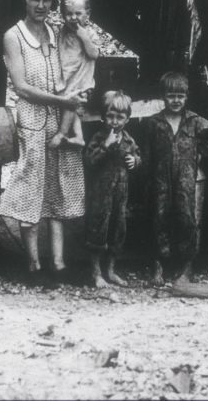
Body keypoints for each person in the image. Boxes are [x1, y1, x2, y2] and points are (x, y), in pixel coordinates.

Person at [0, 0, 87, 286]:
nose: (41, 5)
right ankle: (33, 266)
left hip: (58, 121)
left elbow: (76, 65)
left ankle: (59, 264)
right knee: (30, 189)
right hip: (31, 121)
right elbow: (22, 87)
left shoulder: (55, 31)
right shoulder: (14, 36)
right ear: (24, 1)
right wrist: (63, 99)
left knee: (57, 188)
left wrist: (75, 96)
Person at [142, 71, 208, 285]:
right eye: (171, 96)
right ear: (163, 97)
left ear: (186, 97)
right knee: (159, 217)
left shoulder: (194, 121)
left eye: (180, 96)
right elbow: (146, 152)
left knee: (187, 219)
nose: (176, 100)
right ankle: (158, 264)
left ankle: (187, 267)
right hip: (160, 178)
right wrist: (147, 175)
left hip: (186, 178)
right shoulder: (153, 122)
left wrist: (199, 154)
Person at [82, 90, 140, 288]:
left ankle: (111, 270)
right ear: (103, 117)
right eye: (110, 116)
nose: (115, 121)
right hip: (100, 194)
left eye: (120, 117)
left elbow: (138, 155)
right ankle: (96, 272)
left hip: (120, 195)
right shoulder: (99, 137)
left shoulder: (129, 140)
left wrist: (135, 160)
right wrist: (105, 146)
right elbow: (89, 160)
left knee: (118, 229)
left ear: (127, 119)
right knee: (98, 229)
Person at [49, 0, 98, 149]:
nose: (73, 18)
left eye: (78, 13)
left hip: (82, 83)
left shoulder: (89, 33)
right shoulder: (62, 32)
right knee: (71, 106)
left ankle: (62, 133)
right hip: (67, 79)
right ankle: (79, 136)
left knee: (71, 102)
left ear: (87, 14)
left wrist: (83, 37)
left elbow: (94, 54)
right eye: (69, 14)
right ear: (63, 15)